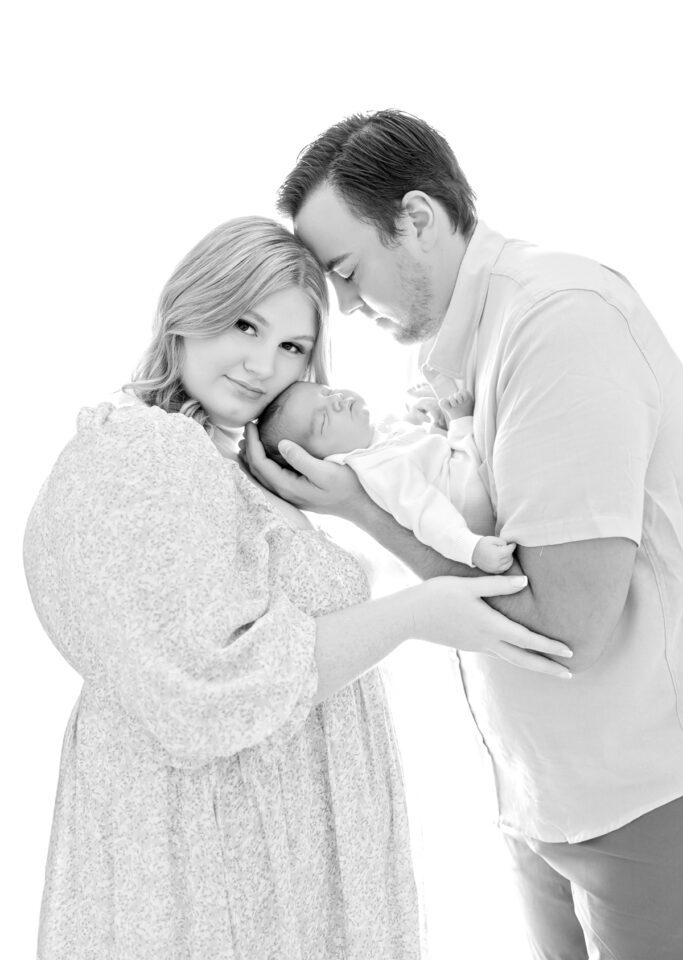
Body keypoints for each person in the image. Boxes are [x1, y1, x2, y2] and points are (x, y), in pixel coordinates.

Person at [23, 216, 573, 960]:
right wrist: (415, 614)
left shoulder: (219, 464)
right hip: (217, 852)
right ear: (188, 310)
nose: (262, 364)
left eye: (292, 347)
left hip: (261, 841)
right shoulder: (145, 452)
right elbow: (207, 690)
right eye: (244, 325)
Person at [244, 111, 683, 960]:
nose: (342, 305)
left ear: (416, 219)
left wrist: (363, 512)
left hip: (643, 797)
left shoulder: (558, 321)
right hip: (542, 798)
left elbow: (566, 629)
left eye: (345, 271)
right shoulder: (445, 352)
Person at [258, 379, 514, 572]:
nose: (336, 400)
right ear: (321, 461)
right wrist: (471, 548)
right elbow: (426, 513)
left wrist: (429, 422)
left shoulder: (377, 439)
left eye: (326, 391)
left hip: (463, 477)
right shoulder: (378, 469)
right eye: (323, 419)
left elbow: (425, 458)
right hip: (471, 514)